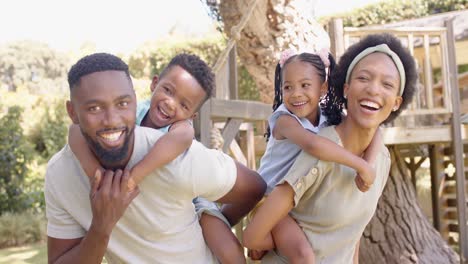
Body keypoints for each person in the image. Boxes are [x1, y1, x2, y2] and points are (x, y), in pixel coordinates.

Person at [45, 53, 266, 263]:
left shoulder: (180, 145)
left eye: (184, 104)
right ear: (154, 84)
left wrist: (131, 180)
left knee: (230, 252)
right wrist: (97, 178)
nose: (171, 104)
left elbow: (254, 186)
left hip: (196, 201)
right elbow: (74, 132)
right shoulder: (62, 170)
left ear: (192, 115)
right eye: (94, 108)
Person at [243, 33, 417, 263]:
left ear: (397, 102)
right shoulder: (318, 146)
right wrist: (278, 238)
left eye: (387, 84)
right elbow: (252, 237)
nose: (374, 90)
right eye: (364, 78)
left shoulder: (380, 159)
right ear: (345, 88)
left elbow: (352, 237)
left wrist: (366, 164)